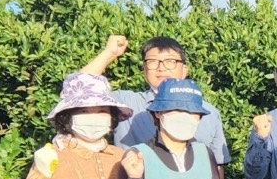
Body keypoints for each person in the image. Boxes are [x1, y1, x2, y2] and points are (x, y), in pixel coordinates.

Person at [80, 34, 230, 166]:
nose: (161, 68)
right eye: (153, 61)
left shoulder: (209, 112)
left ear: (184, 70)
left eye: (170, 61)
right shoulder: (126, 102)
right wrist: (109, 53)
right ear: (144, 70)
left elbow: (217, 166)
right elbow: (79, 91)